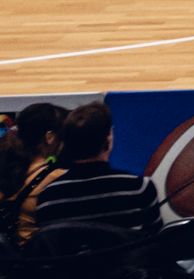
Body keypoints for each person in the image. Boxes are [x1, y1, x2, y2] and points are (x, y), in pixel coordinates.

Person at [23, 100, 157, 235]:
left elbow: (50, 248)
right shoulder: (139, 187)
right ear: (108, 140)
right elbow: (154, 240)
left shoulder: (48, 197)